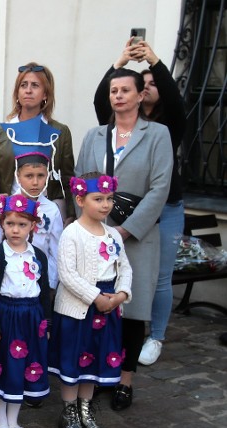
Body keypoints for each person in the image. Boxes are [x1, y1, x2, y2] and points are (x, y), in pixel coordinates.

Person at [76, 68, 172, 410]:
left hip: (136, 236)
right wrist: (87, 229)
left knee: (130, 308)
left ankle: (125, 380)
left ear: (140, 95)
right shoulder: (95, 135)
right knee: (97, 305)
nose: (117, 95)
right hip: (97, 234)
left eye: (125, 90)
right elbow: (80, 182)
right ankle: (100, 372)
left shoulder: (157, 135)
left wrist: (126, 230)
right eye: (113, 90)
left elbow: (160, 188)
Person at [94, 39, 186, 367]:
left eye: (148, 85)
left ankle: (155, 335)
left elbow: (175, 100)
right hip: (113, 213)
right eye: (139, 84)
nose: (142, 90)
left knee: (155, 277)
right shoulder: (109, 126)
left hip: (164, 208)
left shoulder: (166, 125)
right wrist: (120, 61)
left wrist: (154, 61)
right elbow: (102, 97)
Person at [48, 173, 132, 428]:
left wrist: (120, 295)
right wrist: (96, 297)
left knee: (93, 360)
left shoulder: (113, 235)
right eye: (99, 199)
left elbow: (125, 267)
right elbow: (68, 274)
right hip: (79, 310)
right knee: (74, 360)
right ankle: (69, 410)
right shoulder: (72, 233)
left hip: (108, 309)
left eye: (109, 199)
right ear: (81, 200)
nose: (106, 205)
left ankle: (86, 408)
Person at [0, 195, 52, 428]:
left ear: (32, 226)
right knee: (2, 367)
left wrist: (46, 323)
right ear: (2, 225)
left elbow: (44, 290)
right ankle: (0, 420)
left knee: (22, 368)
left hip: (30, 319)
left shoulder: (38, 256)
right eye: (10, 224)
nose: (15, 230)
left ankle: (14, 420)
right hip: (5, 317)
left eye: (22, 224)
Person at [0, 63, 76, 221]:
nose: (28, 90)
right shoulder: (1, 132)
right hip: (10, 214)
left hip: (48, 214)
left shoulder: (60, 132)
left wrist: (71, 215)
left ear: (45, 94)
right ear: (17, 92)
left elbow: (67, 178)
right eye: (23, 85)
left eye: (35, 85)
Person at [0, 118, 63, 291]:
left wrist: (49, 286)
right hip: (7, 284)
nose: (35, 182)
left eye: (40, 176)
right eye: (29, 176)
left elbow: (55, 253)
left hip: (38, 286)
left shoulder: (52, 210)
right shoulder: (4, 206)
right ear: (18, 176)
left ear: (47, 175)